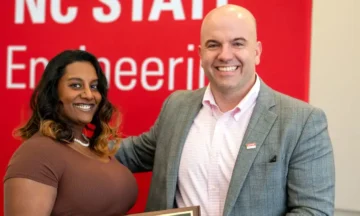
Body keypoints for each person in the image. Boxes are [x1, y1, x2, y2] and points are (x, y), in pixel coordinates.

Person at [115, 4, 335, 216]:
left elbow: (314, 211)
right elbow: (132, 153)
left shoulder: (303, 121)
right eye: (213, 45)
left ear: (257, 51)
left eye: (238, 43)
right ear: (201, 54)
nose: (225, 55)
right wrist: (80, 145)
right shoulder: (176, 107)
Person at [4, 50, 138, 216]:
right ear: (54, 92)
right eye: (76, 85)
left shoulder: (94, 147)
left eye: (94, 86)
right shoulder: (37, 153)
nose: (89, 95)